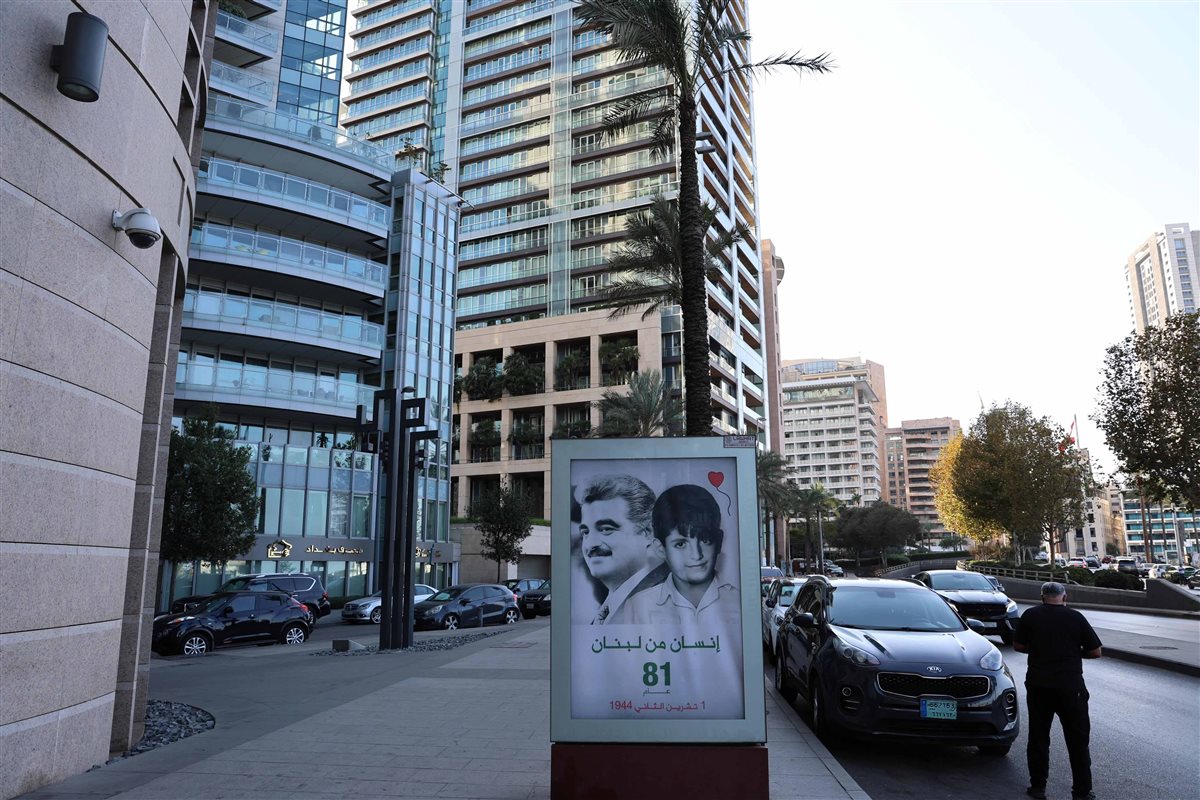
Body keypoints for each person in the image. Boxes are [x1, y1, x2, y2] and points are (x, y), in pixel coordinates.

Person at [1014, 581, 1102, 800]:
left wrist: (1039, 650)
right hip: (1071, 688)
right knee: (1078, 741)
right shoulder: (1076, 617)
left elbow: (1018, 646)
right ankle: (1082, 791)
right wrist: (1074, 653)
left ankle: (1038, 787)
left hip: (1039, 686)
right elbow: (1096, 651)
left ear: (1042, 597)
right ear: (1065, 597)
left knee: (1038, 737)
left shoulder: (1031, 615)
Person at [614, 484, 739, 627]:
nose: (696, 555)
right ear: (660, 549)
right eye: (681, 544)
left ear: (719, 541)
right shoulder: (638, 606)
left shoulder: (739, 601)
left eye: (705, 540)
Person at [576, 474, 667, 625]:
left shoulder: (665, 599)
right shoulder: (611, 605)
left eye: (606, 529)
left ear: (648, 532)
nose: (591, 544)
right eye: (585, 532)